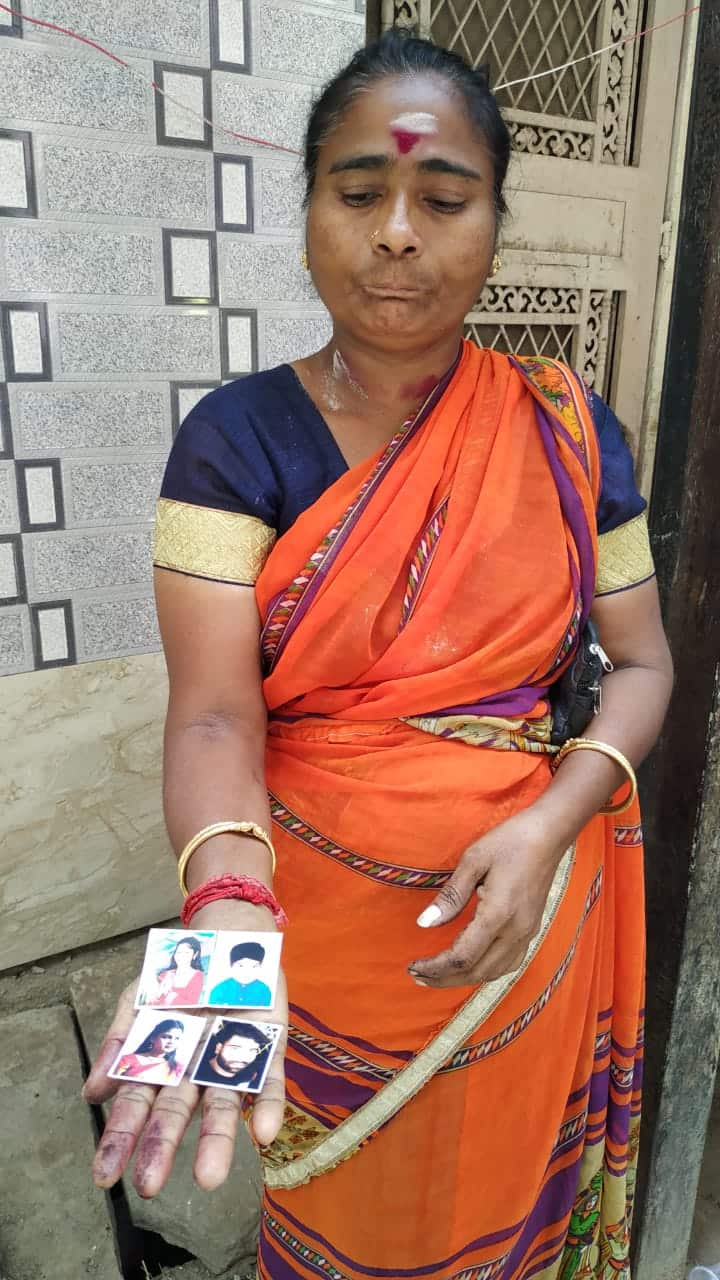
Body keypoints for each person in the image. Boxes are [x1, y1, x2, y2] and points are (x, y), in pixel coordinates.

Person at [86, 29, 674, 1280]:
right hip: (319, 955)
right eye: (360, 193)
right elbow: (211, 718)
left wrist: (551, 823)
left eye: (442, 197)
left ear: (494, 224)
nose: (398, 231)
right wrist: (227, 923)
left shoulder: (572, 435)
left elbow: (645, 666)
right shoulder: (235, 441)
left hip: (522, 936)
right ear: (308, 213)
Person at [192, 1020, 275, 1090]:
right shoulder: (195, 1070)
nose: (244, 1058)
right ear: (218, 1048)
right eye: (235, 1048)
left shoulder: (251, 1079)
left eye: (252, 1051)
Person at [113, 1019, 185, 1085]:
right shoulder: (126, 1060)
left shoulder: (177, 1067)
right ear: (153, 1038)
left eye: (177, 1038)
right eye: (166, 1037)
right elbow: (115, 1083)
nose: (171, 1042)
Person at [208, 941, 273, 1008]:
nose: (247, 971)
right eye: (241, 966)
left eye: (254, 966)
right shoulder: (220, 989)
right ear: (231, 966)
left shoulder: (264, 990)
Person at [147, 935, 206, 1008]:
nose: (181, 956)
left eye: (186, 953)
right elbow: (150, 1003)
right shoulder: (164, 974)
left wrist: (169, 995)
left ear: (195, 954)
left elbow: (192, 1006)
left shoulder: (198, 976)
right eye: (178, 952)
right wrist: (158, 994)